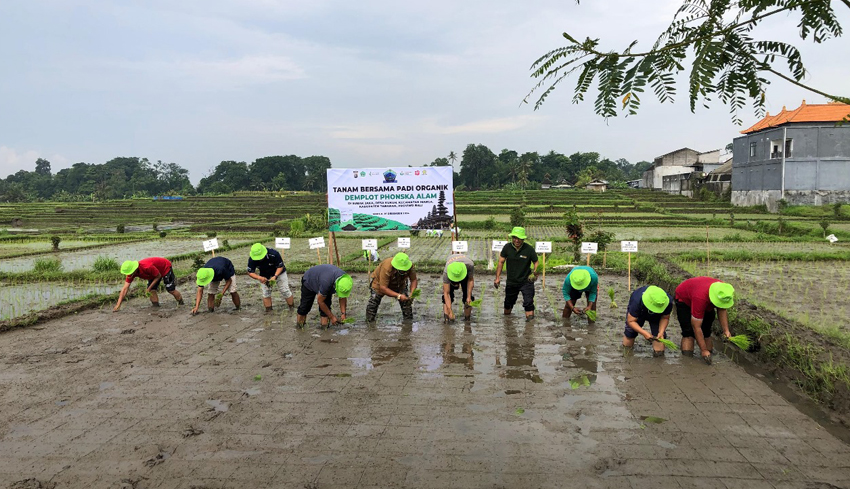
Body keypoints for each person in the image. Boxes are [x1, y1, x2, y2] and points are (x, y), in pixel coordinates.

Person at [674, 277, 735, 365]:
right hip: (684, 300)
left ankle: (709, 355)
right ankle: (687, 361)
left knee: (706, 331)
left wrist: (726, 330)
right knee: (688, 333)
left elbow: (721, 309)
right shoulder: (700, 297)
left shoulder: (723, 291)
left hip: (703, 296)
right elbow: (696, 327)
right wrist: (704, 350)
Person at [494, 227, 539, 321]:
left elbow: (536, 261)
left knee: (528, 302)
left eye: (519, 238)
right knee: (508, 303)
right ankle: (507, 323)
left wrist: (535, 271)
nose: (517, 240)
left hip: (526, 281)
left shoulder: (529, 249)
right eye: (515, 238)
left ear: (523, 239)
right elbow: (501, 262)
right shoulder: (507, 247)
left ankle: (530, 326)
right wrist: (497, 277)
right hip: (512, 281)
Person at [114, 257, 183, 311]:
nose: (129, 275)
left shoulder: (147, 267)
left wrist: (148, 288)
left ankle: (181, 304)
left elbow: (158, 276)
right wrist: (118, 304)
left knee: (170, 290)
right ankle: (156, 307)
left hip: (165, 268)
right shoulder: (131, 274)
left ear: (134, 269)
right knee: (151, 290)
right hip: (152, 274)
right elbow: (125, 288)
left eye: (130, 273)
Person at [622, 285, 673, 356]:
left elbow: (665, 318)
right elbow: (631, 321)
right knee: (630, 332)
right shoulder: (637, 300)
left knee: (659, 337)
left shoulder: (668, 301)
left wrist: (661, 332)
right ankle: (627, 355)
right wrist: (644, 333)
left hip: (657, 316)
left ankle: (659, 359)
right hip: (640, 311)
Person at [366, 252, 418, 322]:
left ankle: (408, 323)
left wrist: (412, 293)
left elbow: (413, 280)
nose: (403, 271)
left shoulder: (410, 266)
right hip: (379, 283)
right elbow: (383, 288)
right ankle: (370, 322)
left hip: (400, 283)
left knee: (406, 303)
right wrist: (398, 295)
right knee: (374, 302)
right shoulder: (386, 267)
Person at [246, 243, 294, 312]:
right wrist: (259, 278)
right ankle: (269, 311)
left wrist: (275, 276)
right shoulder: (252, 259)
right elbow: (250, 272)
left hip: (279, 273)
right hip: (264, 275)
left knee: (285, 290)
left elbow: (280, 266)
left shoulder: (274, 254)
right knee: (266, 293)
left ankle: (292, 308)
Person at [442, 254, 475, 321]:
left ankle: (467, 319)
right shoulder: (447, 272)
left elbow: (470, 280)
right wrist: (450, 311)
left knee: (467, 297)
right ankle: (446, 318)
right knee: (449, 294)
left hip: (464, 272)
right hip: (452, 272)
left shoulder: (469, 265)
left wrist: (468, 297)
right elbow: (446, 293)